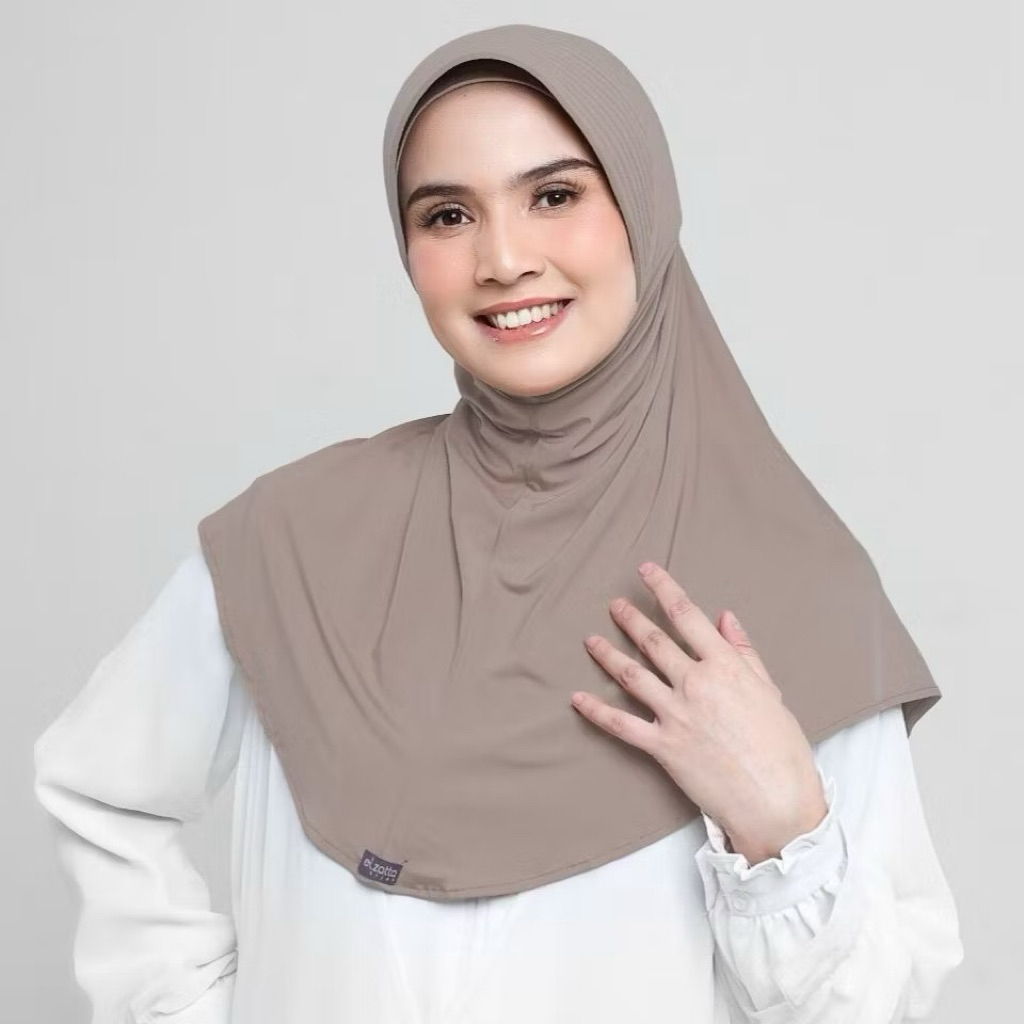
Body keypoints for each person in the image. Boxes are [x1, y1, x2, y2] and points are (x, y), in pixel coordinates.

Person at [33, 23, 964, 1024]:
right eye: (447, 215)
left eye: (554, 196)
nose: (504, 258)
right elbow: (102, 792)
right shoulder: (297, 540)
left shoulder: (794, 591)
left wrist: (783, 827)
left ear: (642, 208)